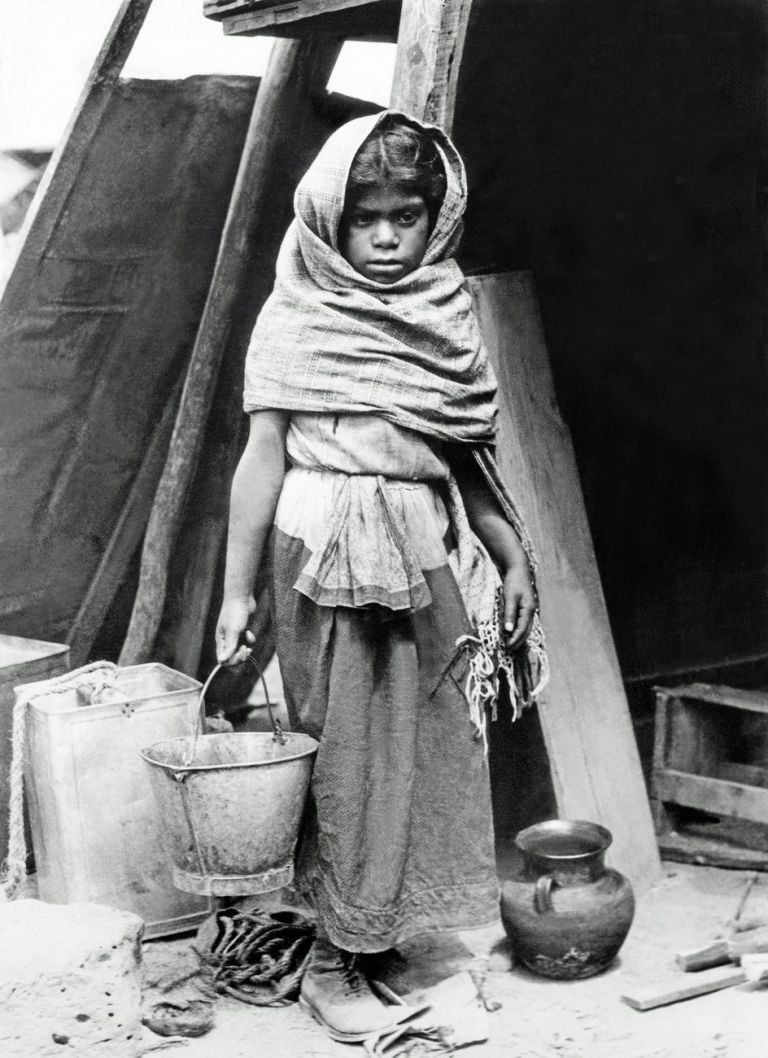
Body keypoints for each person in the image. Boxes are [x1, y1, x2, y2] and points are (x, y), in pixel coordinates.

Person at [215, 110, 548, 1043]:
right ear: (329, 216)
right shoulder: (297, 316)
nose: (389, 234)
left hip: (420, 554)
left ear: (436, 220)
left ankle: (377, 936)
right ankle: (332, 958)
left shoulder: (443, 318)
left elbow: (466, 465)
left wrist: (514, 556)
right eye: (368, 217)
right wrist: (237, 590)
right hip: (326, 558)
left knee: (428, 747)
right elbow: (259, 462)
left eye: (408, 214)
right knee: (353, 755)